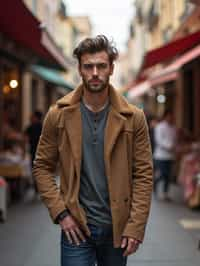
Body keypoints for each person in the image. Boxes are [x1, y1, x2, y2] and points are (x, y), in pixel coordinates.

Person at [33, 35, 153, 266]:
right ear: (79, 69)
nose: (95, 72)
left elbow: (144, 175)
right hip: (76, 228)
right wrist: (61, 213)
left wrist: (136, 226)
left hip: (117, 229)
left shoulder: (133, 118)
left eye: (101, 66)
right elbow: (42, 167)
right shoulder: (58, 114)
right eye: (88, 66)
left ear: (111, 69)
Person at [153, 110, 177, 201]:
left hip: (170, 156)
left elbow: (174, 140)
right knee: (163, 174)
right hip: (160, 156)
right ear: (165, 116)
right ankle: (154, 183)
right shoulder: (159, 127)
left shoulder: (174, 128)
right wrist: (169, 146)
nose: (171, 118)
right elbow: (159, 140)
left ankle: (165, 193)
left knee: (168, 176)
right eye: (169, 116)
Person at [25, 110, 43, 194]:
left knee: (35, 170)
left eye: (32, 116)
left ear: (36, 117)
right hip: (42, 152)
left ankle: (37, 187)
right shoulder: (43, 126)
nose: (30, 118)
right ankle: (40, 187)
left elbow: (25, 137)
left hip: (34, 152)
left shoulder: (31, 127)